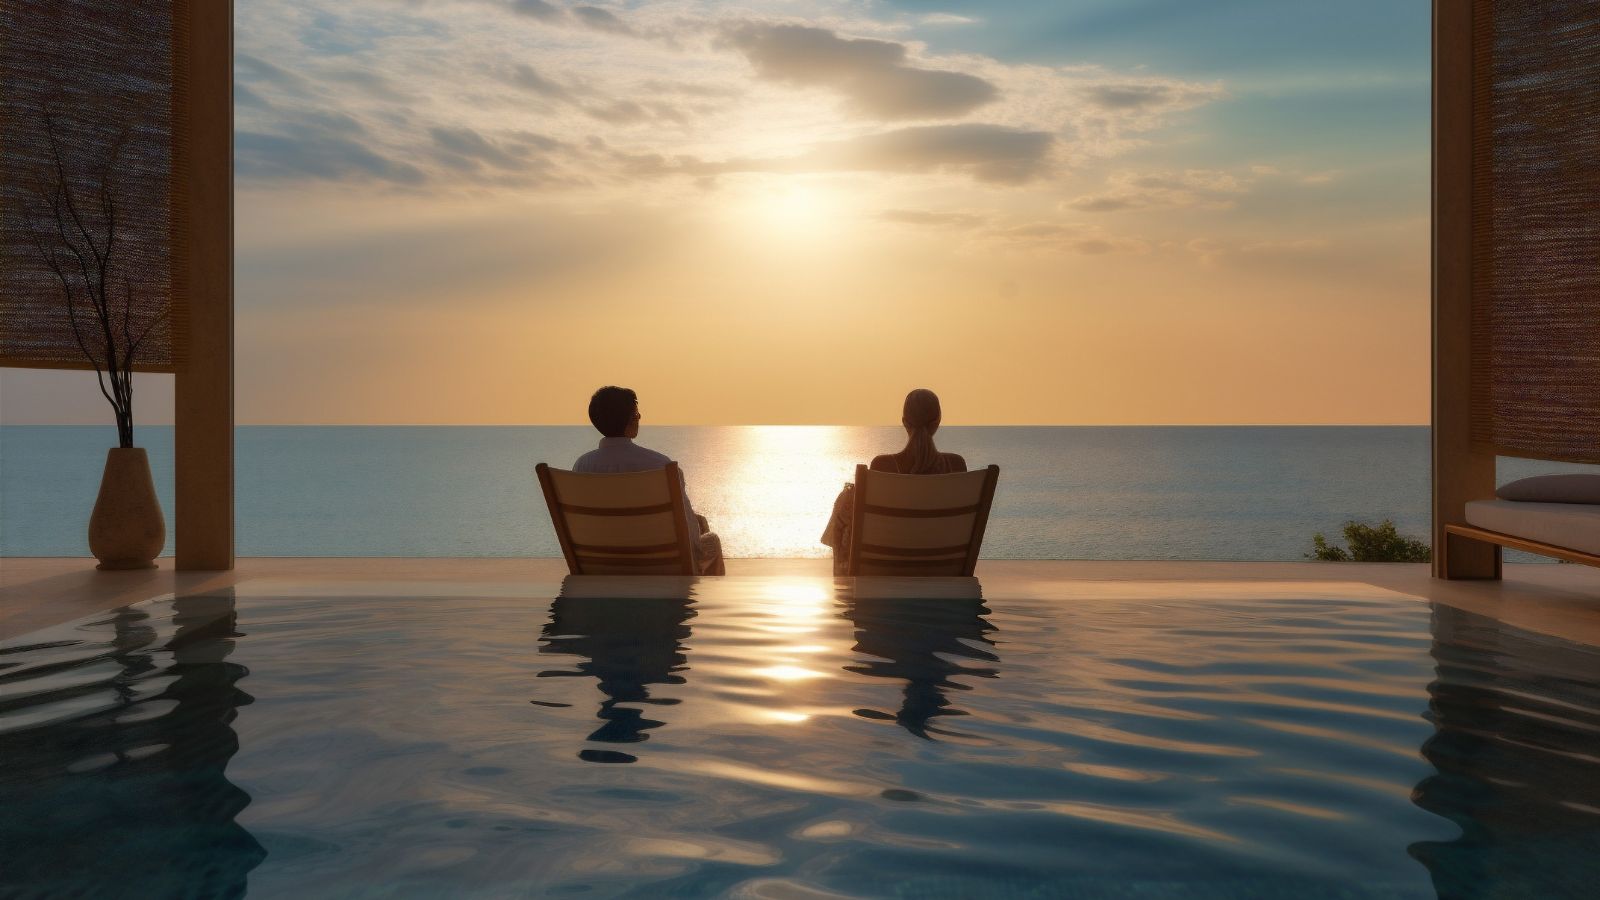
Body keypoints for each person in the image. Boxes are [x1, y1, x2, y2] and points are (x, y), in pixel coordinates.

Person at [573, 386, 726, 575]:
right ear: (630, 420)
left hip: (602, 564)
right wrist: (699, 529)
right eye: (636, 414)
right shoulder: (660, 465)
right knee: (710, 538)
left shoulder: (582, 466)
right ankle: (697, 602)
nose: (639, 417)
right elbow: (689, 537)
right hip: (664, 566)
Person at [821, 389, 966, 575]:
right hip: (941, 570)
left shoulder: (882, 465)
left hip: (884, 569)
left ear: (904, 422)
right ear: (938, 422)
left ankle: (845, 580)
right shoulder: (955, 465)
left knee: (847, 500)